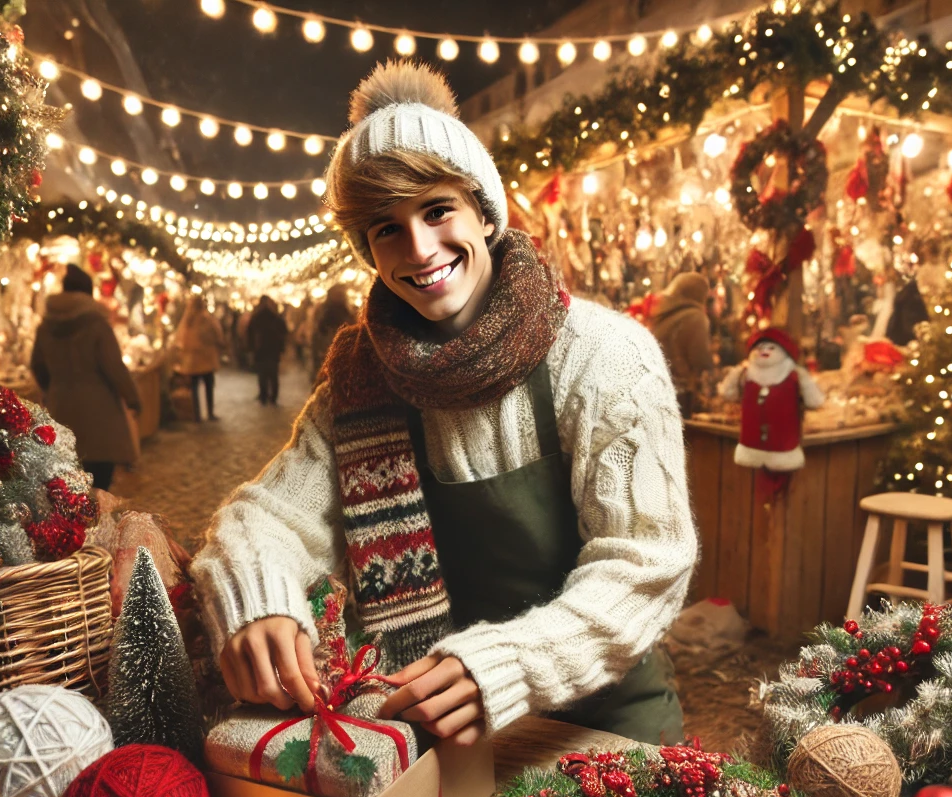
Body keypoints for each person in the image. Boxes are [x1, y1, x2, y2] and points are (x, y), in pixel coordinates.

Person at [191, 61, 696, 747]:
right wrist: (257, 601)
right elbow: (269, 516)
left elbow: (646, 563)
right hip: (443, 733)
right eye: (386, 229)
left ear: (484, 212)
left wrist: (509, 665)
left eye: (436, 210)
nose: (420, 249)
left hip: (607, 727)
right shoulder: (360, 384)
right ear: (368, 251)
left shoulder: (604, 355)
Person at [31, 264, 141, 492]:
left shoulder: (46, 326)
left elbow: (37, 365)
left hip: (61, 407)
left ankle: (75, 526)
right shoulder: (96, 324)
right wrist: (132, 397)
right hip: (98, 410)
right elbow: (114, 367)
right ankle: (97, 525)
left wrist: (52, 389)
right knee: (99, 484)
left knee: (68, 483)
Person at [649, 270, 714, 416]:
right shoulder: (696, 317)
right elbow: (700, 358)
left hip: (657, 390)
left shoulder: (664, 316)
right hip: (679, 394)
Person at [174, 294, 224, 421]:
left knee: (195, 388)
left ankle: (197, 415)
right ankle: (210, 413)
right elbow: (217, 334)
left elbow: (181, 339)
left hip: (193, 361)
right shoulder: (207, 319)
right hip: (206, 358)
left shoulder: (188, 320)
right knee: (208, 386)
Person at [309, 284, 356, 383]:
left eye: (341, 294)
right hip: (326, 349)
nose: (339, 296)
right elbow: (318, 332)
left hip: (344, 351)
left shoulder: (348, 311)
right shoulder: (323, 310)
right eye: (337, 294)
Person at [247, 296, 287, 405]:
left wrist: (251, 348)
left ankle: (264, 396)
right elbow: (283, 332)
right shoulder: (275, 316)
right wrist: (281, 348)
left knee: (262, 374)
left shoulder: (256, 317)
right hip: (273, 350)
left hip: (261, 350)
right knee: (273, 375)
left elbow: (250, 334)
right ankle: (273, 398)